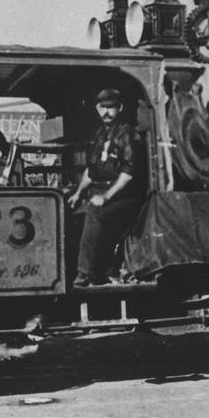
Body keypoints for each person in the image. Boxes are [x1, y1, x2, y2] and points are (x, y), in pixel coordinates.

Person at [67, 87, 145, 286]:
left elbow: (128, 175)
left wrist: (106, 197)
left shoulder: (127, 134)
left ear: (119, 108)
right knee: (74, 210)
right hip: (103, 192)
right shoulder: (100, 135)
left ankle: (86, 273)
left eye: (111, 107)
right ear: (97, 108)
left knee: (95, 211)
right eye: (103, 107)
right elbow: (91, 171)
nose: (106, 112)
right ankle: (90, 268)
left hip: (127, 198)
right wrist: (77, 193)